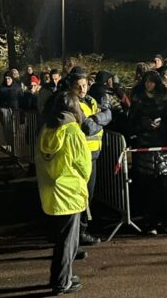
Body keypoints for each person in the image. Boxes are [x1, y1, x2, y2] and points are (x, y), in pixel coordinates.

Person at [36, 91, 91, 295]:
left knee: (61, 239)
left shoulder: (45, 129)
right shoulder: (73, 131)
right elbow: (84, 165)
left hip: (50, 192)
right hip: (70, 192)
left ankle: (60, 276)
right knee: (68, 241)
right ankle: (62, 281)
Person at [128, 71, 167, 234]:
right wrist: (144, 124)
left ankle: (164, 220)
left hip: (161, 145)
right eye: (147, 81)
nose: (149, 84)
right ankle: (150, 222)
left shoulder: (164, 98)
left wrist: (161, 126)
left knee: (163, 183)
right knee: (146, 185)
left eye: (152, 82)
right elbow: (131, 120)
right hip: (143, 145)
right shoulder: (137, 98)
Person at [70, 71, 111, 246]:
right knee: (80, 196)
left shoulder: (91, 101)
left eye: (85, 85)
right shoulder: (72, 104)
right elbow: (88, 128)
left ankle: (81, 231)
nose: (82, 89)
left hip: (93, 155)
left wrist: (97, 118)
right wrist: (99, 120)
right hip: (79, 156)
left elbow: (109, 114)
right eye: (78, 86)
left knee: (89, 195)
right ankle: (78, 233)